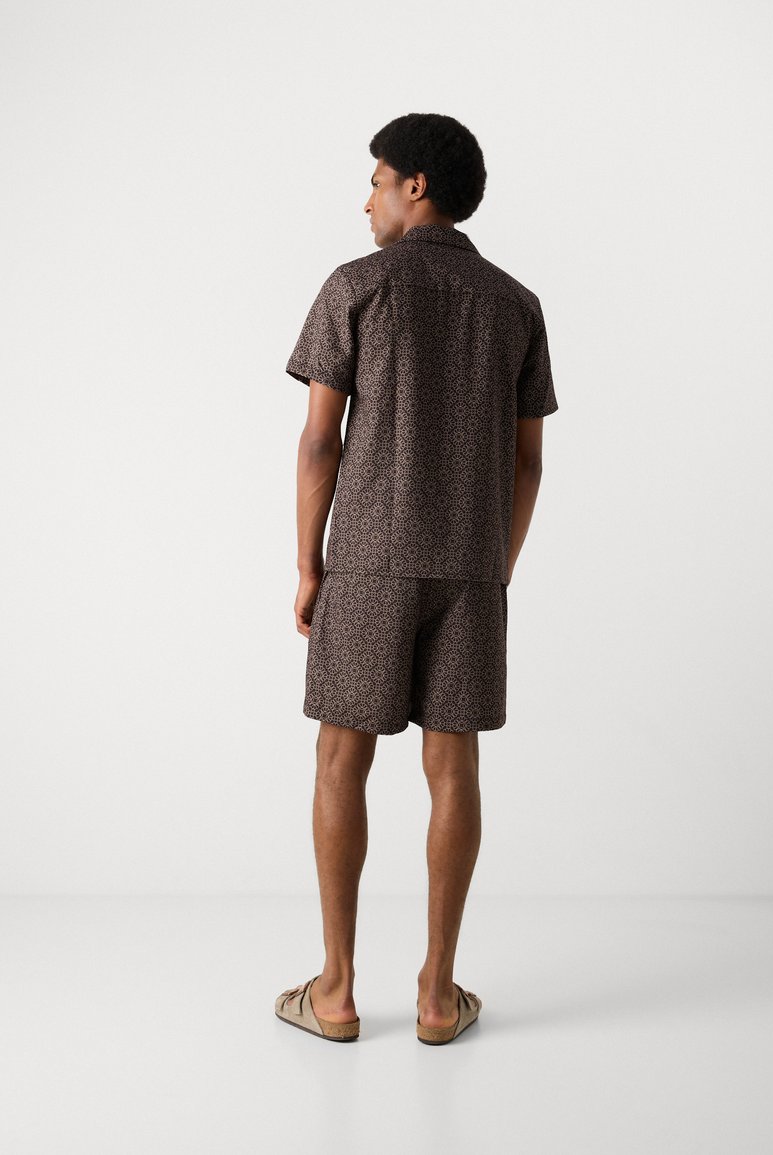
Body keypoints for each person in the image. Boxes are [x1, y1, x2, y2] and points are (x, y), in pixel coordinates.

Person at [275, 113, 558, 1045]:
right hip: (471, 567)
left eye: (376, 181)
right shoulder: (516, 304)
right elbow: (528, 463)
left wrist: (309, 563)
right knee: (454, 766)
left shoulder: (355, 287)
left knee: (340, 758)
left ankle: (336, 991)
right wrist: (493, 568)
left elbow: (320, 440)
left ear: (415, 186)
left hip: (366, 561)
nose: (366, 201)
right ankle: (439, 995)